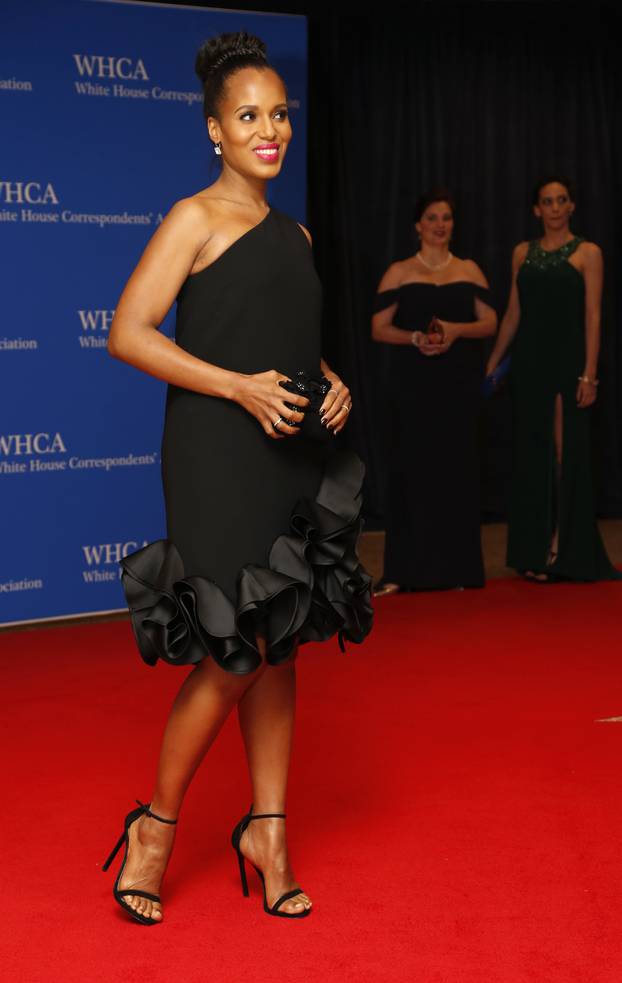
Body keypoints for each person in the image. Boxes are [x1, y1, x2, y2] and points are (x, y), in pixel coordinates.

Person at [103, 31, 372, 925]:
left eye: (280, 115)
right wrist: (237, 387)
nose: (271, 130)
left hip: (289, 446)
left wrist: (328, 380)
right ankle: (156, 824)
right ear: (214, 129)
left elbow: (287, 339)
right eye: (249, 116)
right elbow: (130, 331)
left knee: (281, 636)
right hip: (219, 448)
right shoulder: (194, 217)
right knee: (234, 647)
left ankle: (269, 830)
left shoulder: (292, 232)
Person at [486, 175, 619, 582]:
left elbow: (594, 315)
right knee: (533, 455)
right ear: (536, 209)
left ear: (572, 206)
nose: (556, 207)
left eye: (562, 200)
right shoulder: (521, 253)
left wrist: (590, 374)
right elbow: (513, 312)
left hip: (569, 364)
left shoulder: (588, 253)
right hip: (529, 364)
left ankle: (563, 547)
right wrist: (492, 362)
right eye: (548, 201)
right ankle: (533, 550)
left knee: (565, 453)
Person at [371, 190, 497, 594]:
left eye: (446, 217)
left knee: (456, 474)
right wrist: (414, 338)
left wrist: (457, 330)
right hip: (413, 387)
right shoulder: (400, 271)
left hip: (457, 387)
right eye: (432, 217)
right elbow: (378, 328)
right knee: (412, 473)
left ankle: (459, 570)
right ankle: (403, 572)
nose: (440, 224)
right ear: (418, 226)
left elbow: (490, 323)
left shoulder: (469, 269)